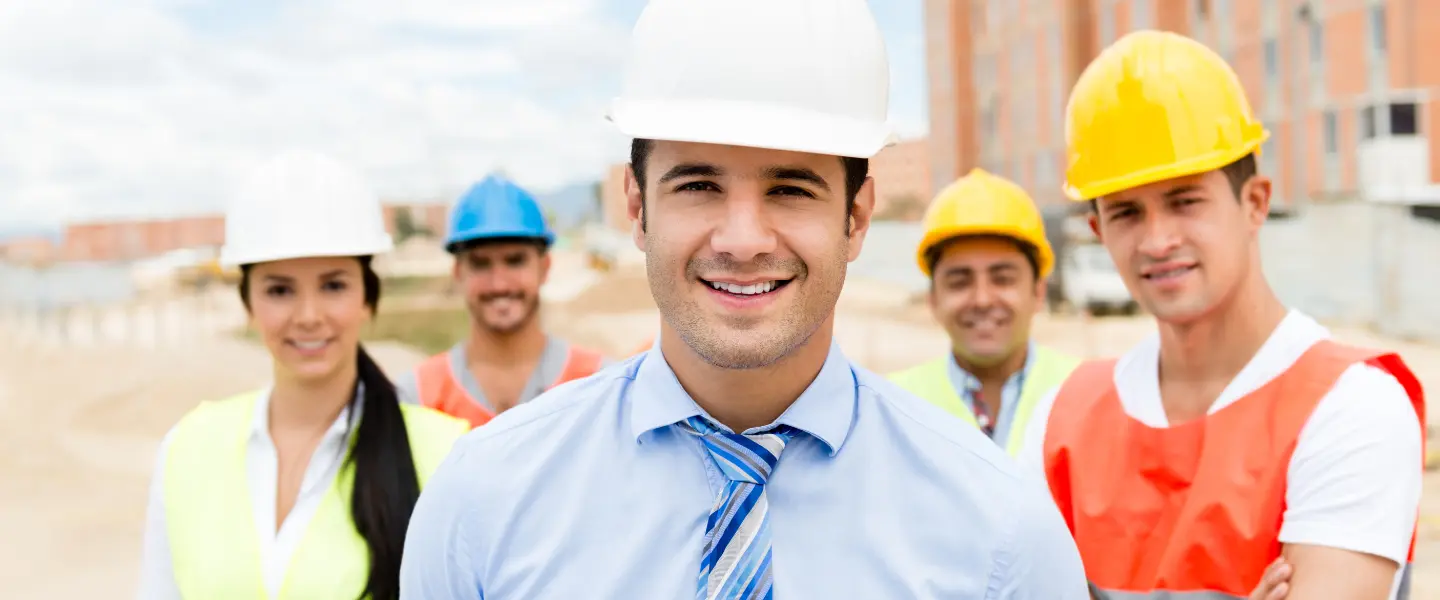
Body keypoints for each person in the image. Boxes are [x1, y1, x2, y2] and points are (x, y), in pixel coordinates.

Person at [397, 1, 1088, 598]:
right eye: (698, 186)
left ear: (856, 217)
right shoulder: (483, 502)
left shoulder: (1001, 531)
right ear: (637, 208)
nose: (743, 239)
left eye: (790, 189)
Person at [1014, 30, 1425, 600]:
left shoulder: (1353, 407)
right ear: (1097, 232)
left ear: (1254, 202)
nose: (1157, 239)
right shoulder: (1061, 418)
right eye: (1127, 212)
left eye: (1185, 201)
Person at [135, 150, 470, 600]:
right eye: (279, 290)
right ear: (249, 304)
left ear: (367, 299)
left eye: (333, 285)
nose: (308, 316)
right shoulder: (187, 448)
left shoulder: (446, 455)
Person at [394, 174, 610, 428]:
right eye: (480, 263)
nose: (499, 284)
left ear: (545, 267)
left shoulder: (599, 385)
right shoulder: (418, 397)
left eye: (515, 260)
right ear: (458, 273)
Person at [888, 168, 1079, 455]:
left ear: (1038, 292)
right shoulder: (893, 407)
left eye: (1003, 279)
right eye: (959, 281)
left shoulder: (1084, 394)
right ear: (933, 299)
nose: (982, 300)